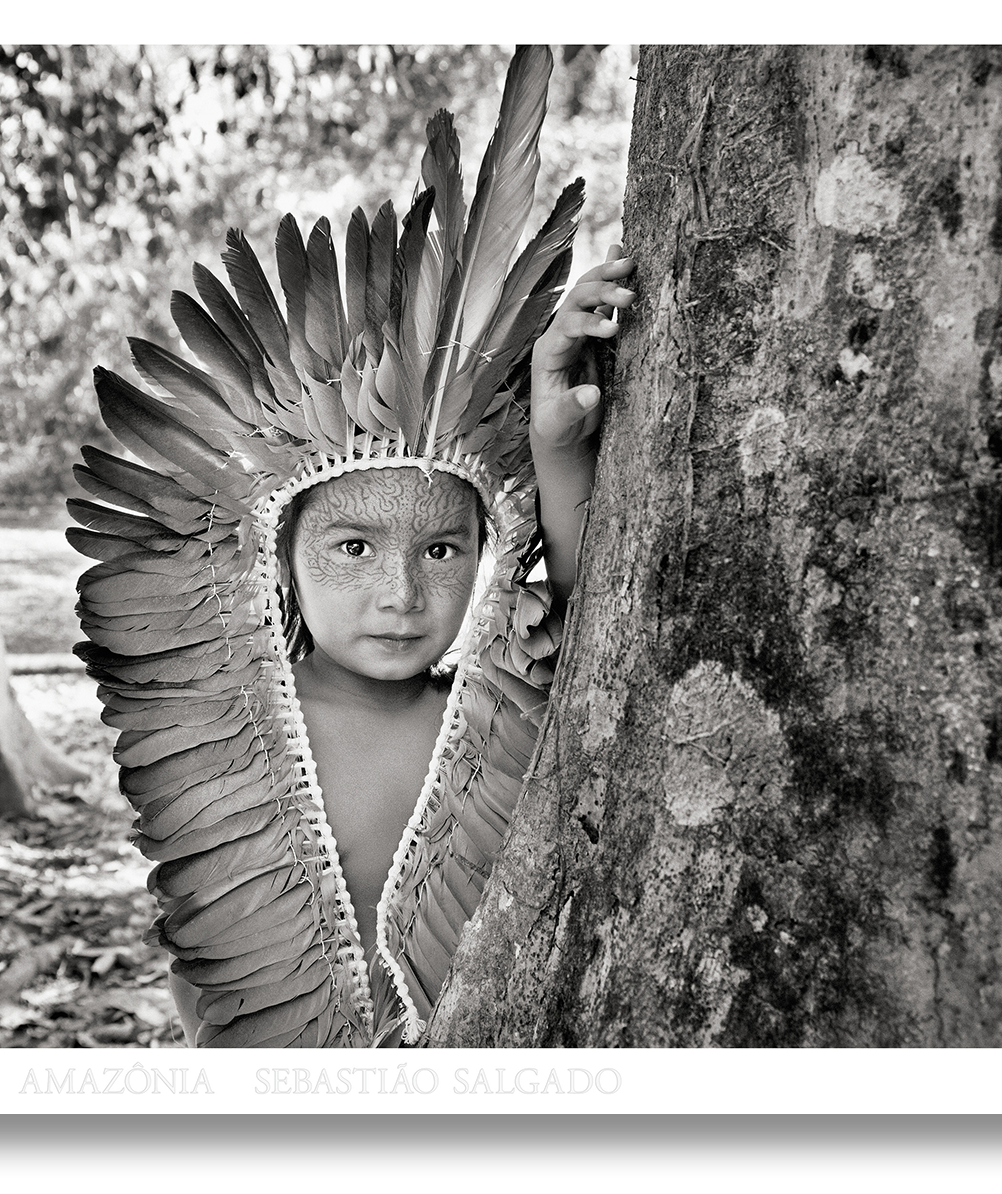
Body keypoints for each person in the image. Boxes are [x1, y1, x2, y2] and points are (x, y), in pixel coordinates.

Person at [72, 46, 630, 1046]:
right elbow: (209, 947)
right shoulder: (218, 715)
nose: (401, 597)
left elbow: (605, 614)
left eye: (441, 552)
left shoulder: (495, 709)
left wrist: (552, 443)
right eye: (352, 548)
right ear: (270, 553)